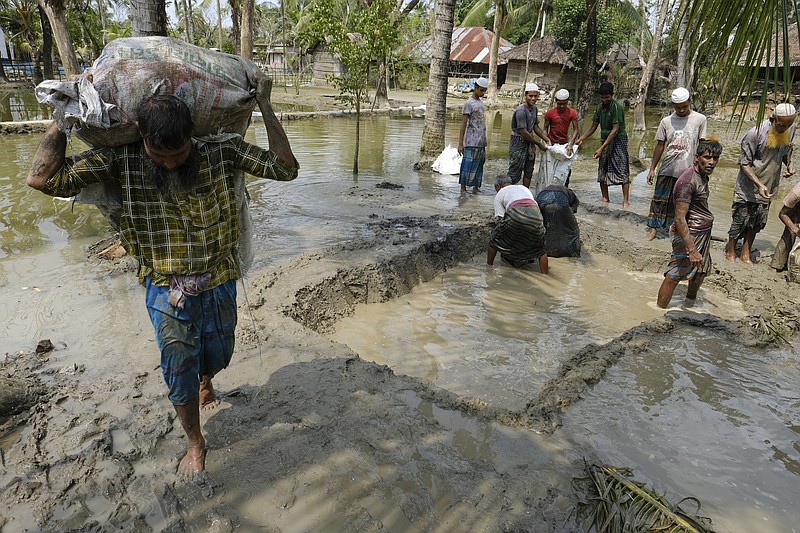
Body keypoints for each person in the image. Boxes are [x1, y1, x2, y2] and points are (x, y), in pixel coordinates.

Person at [26, 77, 299, 478]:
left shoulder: (221, 152)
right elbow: (42, 179)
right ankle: (195, 441)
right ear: (142, 137)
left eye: (179, 152)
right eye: (159, 154)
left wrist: (266, 105)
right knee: (177, 365)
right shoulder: (122, 159)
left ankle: (207, 378)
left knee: (218, 353)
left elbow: (286, 169)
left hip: (219, 275)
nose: (170, 162)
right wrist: (62, 118)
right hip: (163, 285)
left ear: (192, 136)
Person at [726, 103, 797, 263]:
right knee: (739, 221)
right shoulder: (755, 133)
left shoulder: (789, 129)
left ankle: (745, 253)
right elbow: (744, 163)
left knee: (757, 223)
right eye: (781, 124)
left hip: (769, 187)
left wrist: (790, 164)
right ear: (773, 118)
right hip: (747, 188)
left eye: (788, 124)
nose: (784, 127)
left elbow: (786, 151)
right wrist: (759, 184)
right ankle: (731, 251)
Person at [656, 138, 723, 308]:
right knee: (675, 274)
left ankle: (689, 304)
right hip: (690, 234)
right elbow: (679, 218)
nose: (712, 162)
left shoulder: (702, 176)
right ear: (696, 157)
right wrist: (691, 249)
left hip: (701, 232)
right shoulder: (688, 181)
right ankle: (658, 312)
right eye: (707, 157)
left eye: (715, 158)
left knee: (700, 271)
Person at [645, 87, 708, 241]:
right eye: (677, 107)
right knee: (660, 199)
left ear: (689, 102)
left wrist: (702, 171)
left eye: (684, 107)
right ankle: (653, 229)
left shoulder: (700, 119)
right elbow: (660, 146)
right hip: (667, 167)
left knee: (683, 201)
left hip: (688, 170)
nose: (681, 110)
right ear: (673, 105)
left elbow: (702, 144)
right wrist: (652, 168)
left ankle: (677, 230)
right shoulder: (666, 121)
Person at [575, 82, 630, 208]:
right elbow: (593, 126)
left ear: (612, 95)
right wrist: (582, 138)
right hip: (605, 138)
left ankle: (625, 201)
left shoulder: (617, 108)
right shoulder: (599, 108)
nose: (604, 100)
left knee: (622, 169)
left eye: (607, 97)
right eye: (602, 97)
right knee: (602, 168)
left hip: (618, 140)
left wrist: (601, 148)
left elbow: (615, 130)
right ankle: (605, 198)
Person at [487, 173, 549, 273]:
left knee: (495, 240)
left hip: (516, 211)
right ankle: (545, 276)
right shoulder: (523, 188)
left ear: (498, 186)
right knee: (540, 248)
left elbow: (501, 219)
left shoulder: (500, 193)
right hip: (536, 214)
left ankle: (488, 268)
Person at [508, 83, 550, 188]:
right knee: (514, 171)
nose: (533, 98)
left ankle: (525, 193)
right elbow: (523, 132)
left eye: (535, 96)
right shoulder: (521, 111)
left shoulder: (534, 109)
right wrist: (538, 144)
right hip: (518, 143)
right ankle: (506, 193)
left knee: (529, 170)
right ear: (525, 96)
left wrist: (546, 139)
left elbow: (535, 126)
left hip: (529, 144)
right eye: (530, 96)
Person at [458, 77, 488, 194]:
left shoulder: (480, 103)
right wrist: (461, 143)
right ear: (475, 88)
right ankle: (463, 188)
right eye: (481, 90)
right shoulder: (469, 104)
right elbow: (463, 125)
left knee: (479, 164)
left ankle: (476, 186)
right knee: (468, 164)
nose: (482, 93)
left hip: (480, 140)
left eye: (484, 91)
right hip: (471, 140)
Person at [535, 184, 581, 257]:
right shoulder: (574, 199)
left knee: (544, 227)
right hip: (559, 199)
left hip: (540, 198)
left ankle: (544, 251)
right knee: (573, 230)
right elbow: (570, 214)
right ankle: (573, 253)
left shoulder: (559, 189)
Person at [769, 180, 800, 271]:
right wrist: (795, 229)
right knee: (789, 234)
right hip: (795, 208)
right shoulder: (796, 193)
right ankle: (776, 265)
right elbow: (782, 214)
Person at [543, 88, 580, 157]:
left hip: (565, 143)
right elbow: (545, 129)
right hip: (552, 142)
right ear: (556, 101)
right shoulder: (550, 113)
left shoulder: (572, 113)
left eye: (564, 104)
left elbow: (576, 129)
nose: (562, 106)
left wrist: (571, 144)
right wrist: (546, 141)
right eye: (560, 104)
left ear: (568, 101)